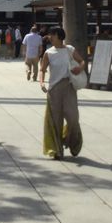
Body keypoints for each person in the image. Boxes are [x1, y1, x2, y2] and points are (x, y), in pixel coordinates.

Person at [39, 26, 85, 159]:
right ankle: (56, 150)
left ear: (59, 36)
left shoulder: (70, 49)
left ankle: (72, 142)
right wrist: (42, 82)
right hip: (54, 90)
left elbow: (82, 61)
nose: (49, 37)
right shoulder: (49, 52)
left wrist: (79, 68)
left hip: (69, 87)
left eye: (52, 35)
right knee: (55, 121)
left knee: (73, 119)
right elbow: (42, 69)